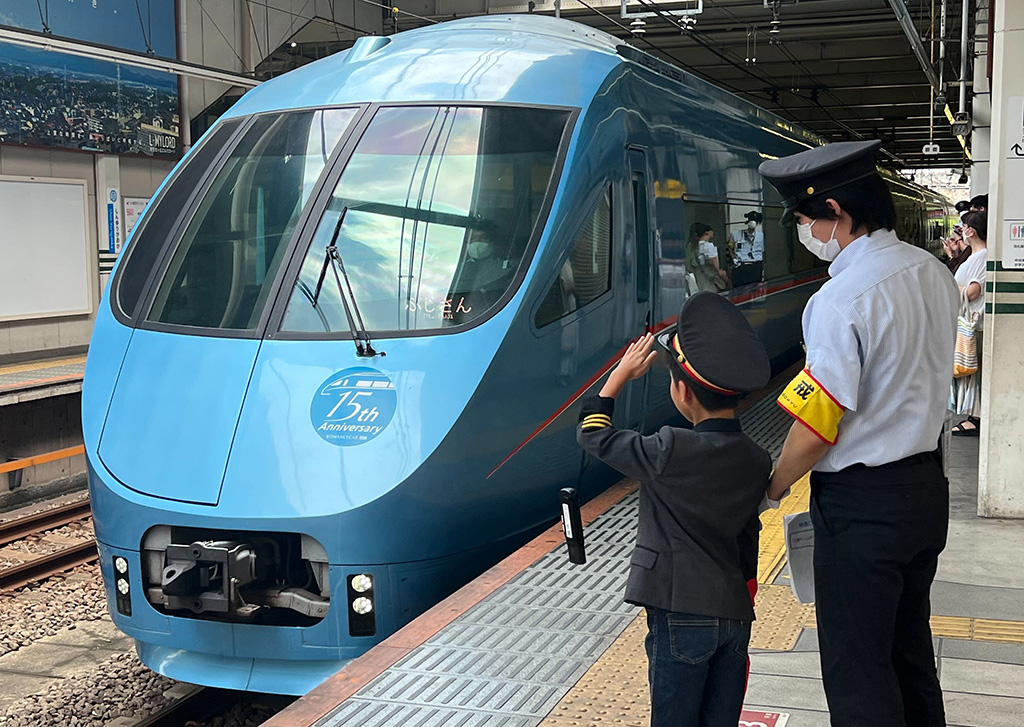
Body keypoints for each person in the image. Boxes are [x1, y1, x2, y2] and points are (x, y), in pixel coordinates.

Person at [759, 139, 959, 727]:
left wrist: (771, 486)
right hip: (926, 491)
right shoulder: (933, 273)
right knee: (908, 653)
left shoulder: (839, 299)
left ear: (836, 213)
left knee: (858, 669)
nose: (803, 233)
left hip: (863, 508)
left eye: (803, 220)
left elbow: (819, 421)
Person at [577, 292, 772, 727]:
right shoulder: (757, 458)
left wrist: (616, 380)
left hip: (680, 612)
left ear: (682, 392)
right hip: (735, 614)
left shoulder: (669, 448)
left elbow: (594, 436)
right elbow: (748, 534)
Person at [951, 210, 988, 436]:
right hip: (971, 321)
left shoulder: (983, 257)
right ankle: (974, 415)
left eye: (963, 227)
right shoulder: (975, 256)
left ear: (971, 231)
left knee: (976, 369)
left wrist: (950, 287)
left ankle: (977, 418)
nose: (961, 231)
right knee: (973, 370)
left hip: (976, 322)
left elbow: (973, 292)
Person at [686, 222, 729, 291]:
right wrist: (723, 275)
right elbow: (713, 262)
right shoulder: (708, 246)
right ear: (706, 233)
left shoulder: (691, 246)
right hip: (711, 278)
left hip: (698, 276)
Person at [731, 211, 765, 286]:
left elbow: (763, 252)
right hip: (741, 267)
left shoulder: (761, 236)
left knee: (755, 289)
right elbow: (730, 247)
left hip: (755, 267)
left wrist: (763, 268)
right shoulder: (735, 235)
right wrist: (734, 258)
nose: (753, 222)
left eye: (756, 220)